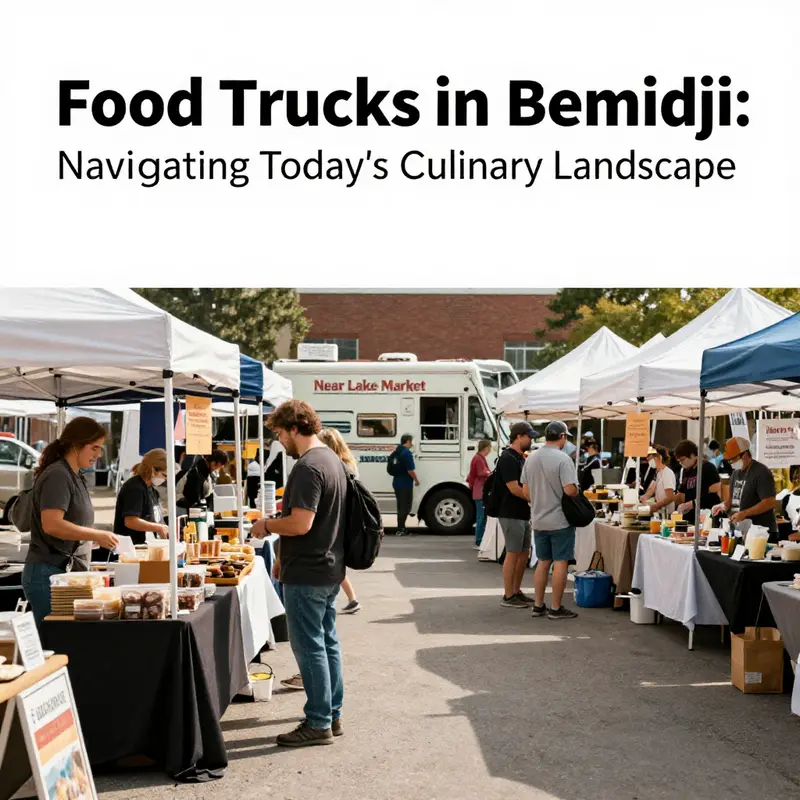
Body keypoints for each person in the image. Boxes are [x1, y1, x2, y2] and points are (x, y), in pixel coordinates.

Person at [250, 400, 346, 747]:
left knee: (310, 648)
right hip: (327, 566)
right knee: (326, 643)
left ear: (294, 428)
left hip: (309, 570)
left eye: (278, 433)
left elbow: (301, 523)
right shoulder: (331, 459)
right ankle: (331, 715)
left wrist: (266, 525)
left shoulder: (308, 467)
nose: (278, 442)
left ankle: (319, 721)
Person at [22, 418, 119, 624]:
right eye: (94, 448)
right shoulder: (58, 475)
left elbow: (72, 525)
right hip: (49, 573)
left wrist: (89, 538)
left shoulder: (74, 475)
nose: (98, 455)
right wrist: (96, 535)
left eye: (100, 449)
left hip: (64, 573)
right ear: (76, 444)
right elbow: (52, 524)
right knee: (56, 641)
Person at [522, 420, 580, 620]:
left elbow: (525, 491)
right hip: (560, 520)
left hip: (538, 519)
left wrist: (539, 500)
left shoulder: (531, 458)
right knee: (560, 562)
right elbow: (570, 490)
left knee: (542, 562)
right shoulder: (563, 459)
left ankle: (538, 605)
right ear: (562, 436)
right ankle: (556, 607)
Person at [318, 427, 361, 614]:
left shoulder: (337, 466)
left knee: (333, 561)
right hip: (346, 520)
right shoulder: (348, 463)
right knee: (335, 562)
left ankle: (350, 599)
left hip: (338, 520)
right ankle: (351, 599)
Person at [495, 422, 534, 609]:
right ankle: (508, 595)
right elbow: (514, 488)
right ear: (519, 436)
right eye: (529, 436)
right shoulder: (508, 458)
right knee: (513, 553)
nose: (531, 440)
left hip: (521, 513)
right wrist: (534, 499)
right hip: (511, 512)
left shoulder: (520, 457)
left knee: (523, 554)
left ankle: (516, 591)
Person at [712, 437, 778, 537]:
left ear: (745, 455)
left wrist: (745, 513)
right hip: (740, 531)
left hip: (761, 533)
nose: (731, 463)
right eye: (729, 460)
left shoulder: (761, 472)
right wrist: (722, 506)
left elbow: (770, 502)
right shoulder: (735, 473)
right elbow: (732, 500)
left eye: (733, 459)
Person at [113, 449, 169, 544]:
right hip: (131, 547)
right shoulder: (135, 488)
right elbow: (130, 521)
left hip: (146, 546)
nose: (165, 479)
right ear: (153, 470)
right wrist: (158, 528)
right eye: (164, 475)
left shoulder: (151, 489)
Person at [673, 440, 721, 524]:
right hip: (689, 519)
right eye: (679, 461)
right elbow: (682, 494)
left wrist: (693, 503)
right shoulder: (685, 471)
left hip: (705, 518)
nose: (681, 463)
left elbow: (714, 495)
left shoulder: (708, 468)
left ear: (692, 455)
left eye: (682, 460)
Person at [391, 434, 419, 536]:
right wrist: (416, 480)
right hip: (405, 484)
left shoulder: (397, 451)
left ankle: (401, 527)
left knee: (400, 506)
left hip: (396, 482)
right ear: (407, 441)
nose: (411, 444)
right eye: (411, 441)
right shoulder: (407, 453)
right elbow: (410, 470)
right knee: (405, 507)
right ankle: (401, 529)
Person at [467, 439, 492, 549]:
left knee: (481, 517)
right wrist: (489, 473)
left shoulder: (479, 458)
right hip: (480, 491)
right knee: (481, 517)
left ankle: (480, 539)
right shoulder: (479, 459)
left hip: (478, 490)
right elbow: (481, 472)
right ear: (486, 448)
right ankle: (479, 540)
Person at [640, 445, 676, 517]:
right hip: (660, 512)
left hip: (667, 513)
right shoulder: (658, 473)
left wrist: (656, 505)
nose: (647, 459)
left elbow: (670, 497)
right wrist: (643, 498)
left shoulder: (667, 473)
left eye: (650, 457)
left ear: (658, 457)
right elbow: (651, 490)